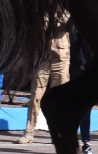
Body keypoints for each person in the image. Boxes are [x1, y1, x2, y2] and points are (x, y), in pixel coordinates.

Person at [18, 17, 71, 145]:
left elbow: (73, 26)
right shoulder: (40, 4)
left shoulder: (66, 4)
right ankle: (29, 132)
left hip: (61, 58)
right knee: (35, 97)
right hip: (43, 57)